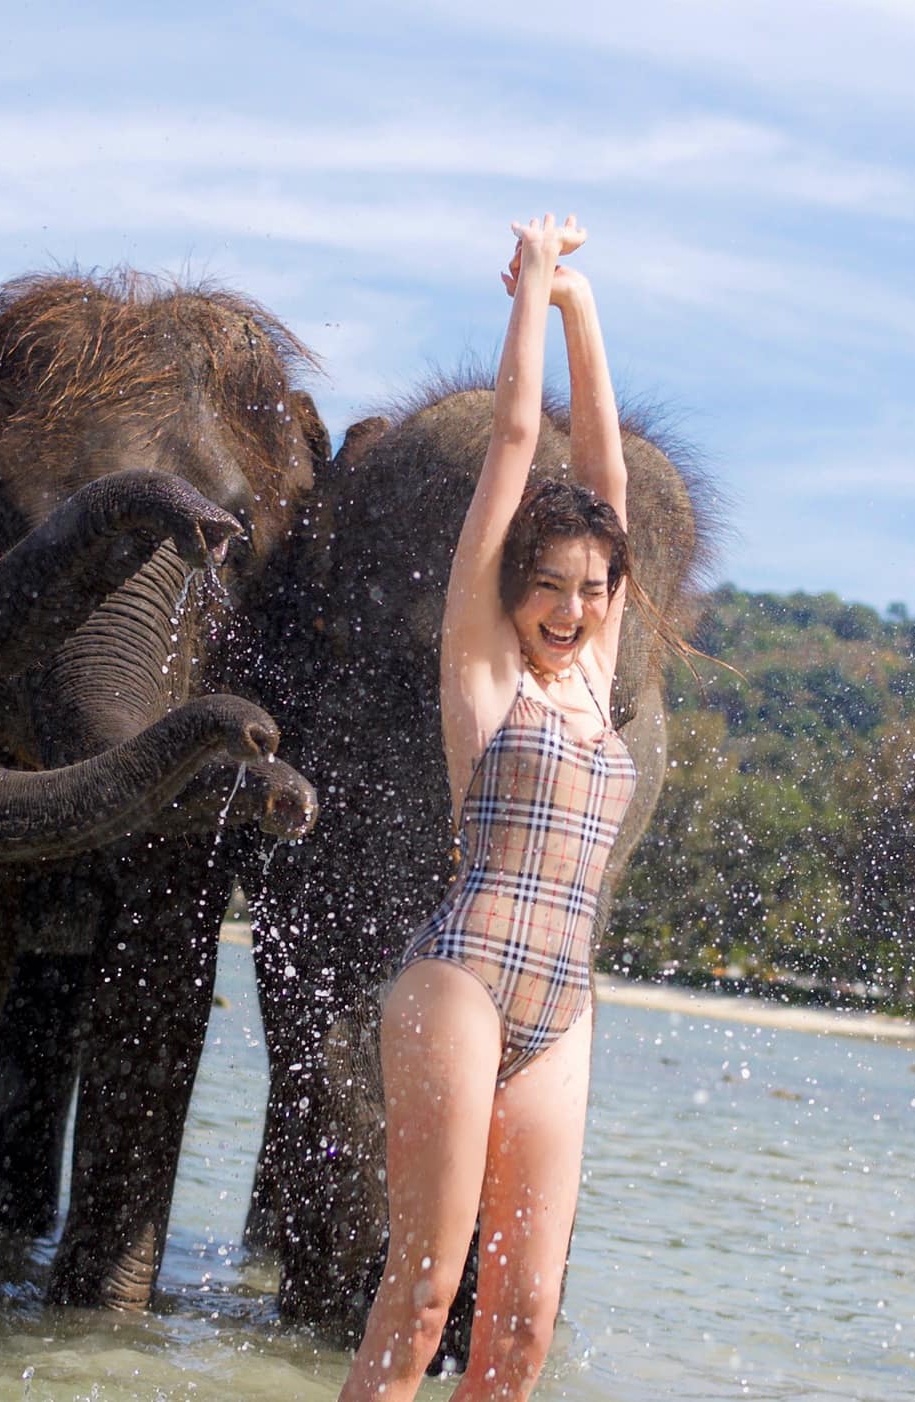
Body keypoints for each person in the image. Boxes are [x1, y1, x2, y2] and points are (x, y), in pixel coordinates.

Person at [340, 215, 642, 1402]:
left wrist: (584, 313)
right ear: (512, 585)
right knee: (423, 1294)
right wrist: (529, 295)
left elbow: (606, 478)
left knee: (519, 1332)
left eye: (587, 590)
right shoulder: (486, 668)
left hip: (560, 1005)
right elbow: (521, 438)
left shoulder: (594, 679)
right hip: (460, 979)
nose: (565, 609)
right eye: (546, 586)